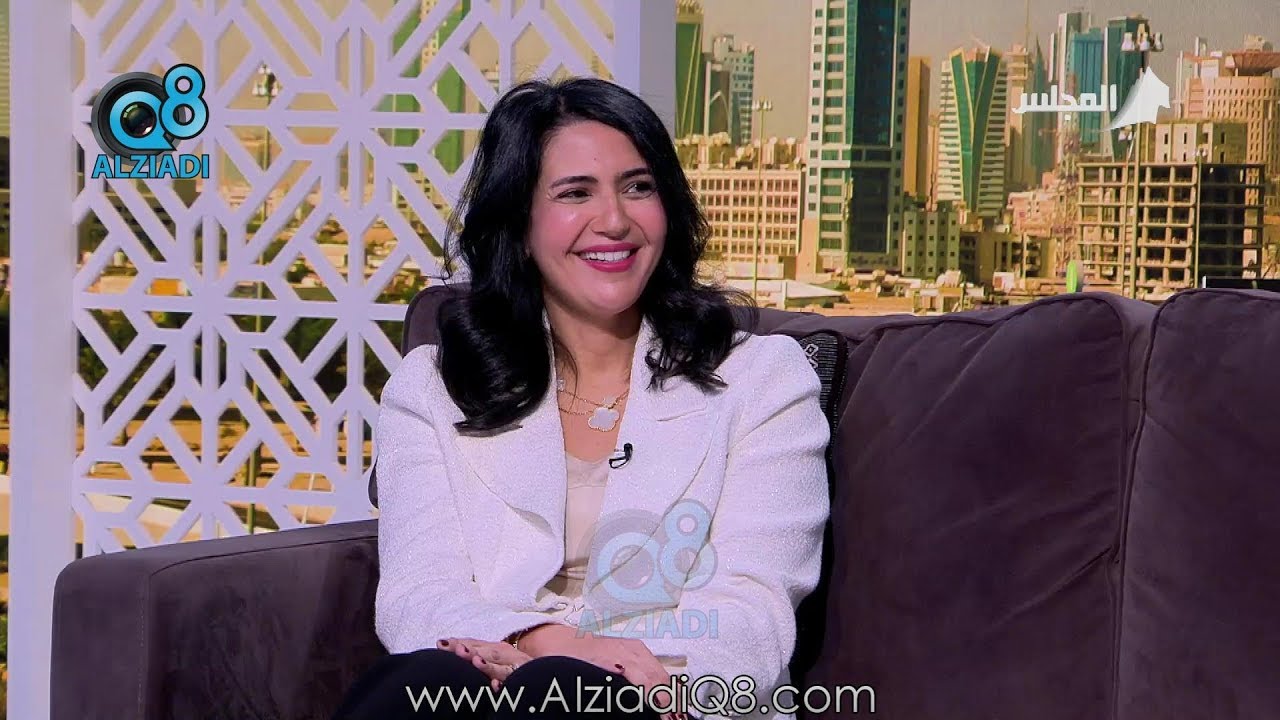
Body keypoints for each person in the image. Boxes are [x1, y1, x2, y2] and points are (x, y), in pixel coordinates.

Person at [333, 77, 830, 720]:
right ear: (519, 225)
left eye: (638, 188)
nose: (615, 220)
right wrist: (540, 642)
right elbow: (419, 594)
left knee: (561, 692)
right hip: (491, 681)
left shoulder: (763, 380)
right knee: (418, 682)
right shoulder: (431, 388)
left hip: (669, 696)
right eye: (575, 193)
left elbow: (753, 606)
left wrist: (612, 669)